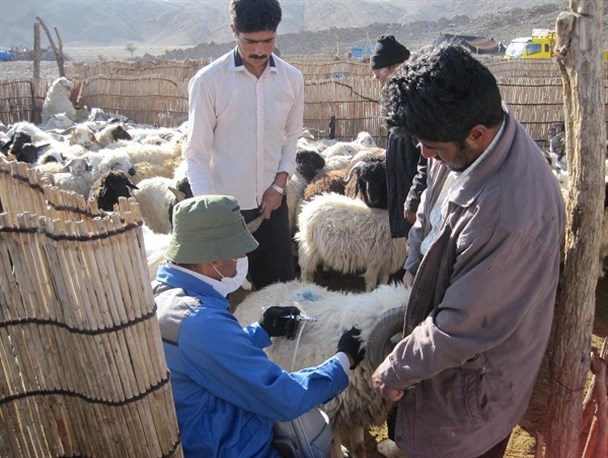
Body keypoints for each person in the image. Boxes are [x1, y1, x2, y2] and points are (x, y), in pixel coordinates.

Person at [372, 44, 565, 458]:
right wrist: (411, 271)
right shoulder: (467, 140)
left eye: (433, 146)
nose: (425, 155)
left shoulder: (508, 213)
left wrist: (395, 370)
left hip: (471, 391)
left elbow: (461, 327)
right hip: (439, 364)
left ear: (476, 134)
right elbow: (428, 211)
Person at [153, 194, 365, 457]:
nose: (243, 259)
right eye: (239, 252)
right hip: (231, 445)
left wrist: (261, 330)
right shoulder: (201, 321)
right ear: (215, 260)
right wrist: (344, 359)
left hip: (201, 430)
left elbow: (209, 356)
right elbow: (284, 398)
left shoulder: (163, 294)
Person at [183, 0, 303, 290]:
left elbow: (291, 137)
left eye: (268, 41)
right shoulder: (209, 82)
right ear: (234, 31)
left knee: (278, 290)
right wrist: (214, 216)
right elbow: (196, 156)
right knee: (220, 294)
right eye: (250, 42)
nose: (260, 51)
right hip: (224, 213)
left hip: (271, 206)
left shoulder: (292, 79)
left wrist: (278, 186)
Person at [370, 34, 427, 239]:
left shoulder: (414, 105)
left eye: (379, 77)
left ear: (393, 69)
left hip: (421, 206)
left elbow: (427, 157)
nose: (379, 84)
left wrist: (414, 199)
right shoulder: (402, 102)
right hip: (410, 200)